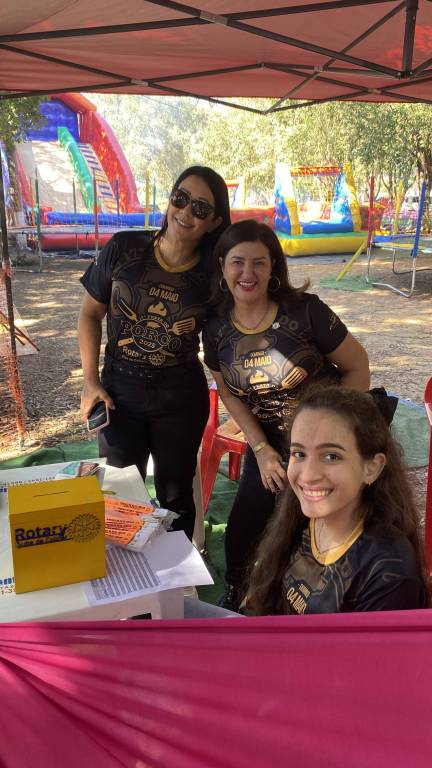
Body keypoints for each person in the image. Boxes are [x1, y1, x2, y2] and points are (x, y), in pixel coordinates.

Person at [203, 219, 370, 609]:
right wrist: (261, 450)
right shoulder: (214, 327)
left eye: (259, 262)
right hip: (269, 437)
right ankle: (236, 590)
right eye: (238, 262)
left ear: (273, 267)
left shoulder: (306, 311)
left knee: (308, 521)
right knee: (246, 521)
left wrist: (331, 436)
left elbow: (358, 366)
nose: (248, 273)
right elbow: (227, 390)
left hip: (324, 435)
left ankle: (308, 602)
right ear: (222, 266)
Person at [78, 166, 231, 540]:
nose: (185, 212)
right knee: (119, 495)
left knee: (175, 499)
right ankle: (125, 576)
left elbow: (226, 339)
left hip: (179, 398)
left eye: (200, 208)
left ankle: (176, 575)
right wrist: (90, 381)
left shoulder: (215, 275)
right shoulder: (124, 248)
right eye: (181, 198)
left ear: (214, 222)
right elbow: (90, 314)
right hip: (119, 394)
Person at [247, 386, 429, 614]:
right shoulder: (300, 516)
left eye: (331, 456)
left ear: (372, 468)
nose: (308, 475)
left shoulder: (389, 575)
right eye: (299, 454)